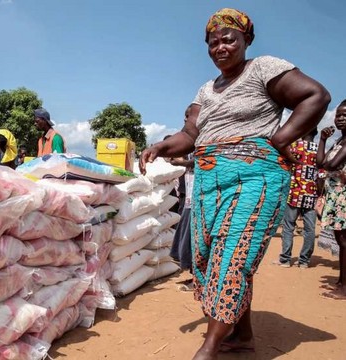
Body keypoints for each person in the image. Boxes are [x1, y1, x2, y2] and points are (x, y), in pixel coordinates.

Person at [138, 8, 330, 359]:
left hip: (255, 176)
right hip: (210, 180)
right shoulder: (207, 89)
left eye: (229, 39)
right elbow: (190, 134)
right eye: (213, 42)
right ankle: (241, 336)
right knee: (208, 258)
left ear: (246, 40)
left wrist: (279, 140)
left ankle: (209, 349)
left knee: (233, 257)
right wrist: (162, 146)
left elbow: (315, 96)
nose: (220, 47)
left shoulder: (263, 68)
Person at [276, 128, 321, 269]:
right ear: (315, 134)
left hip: (294, 192)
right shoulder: (319, 150)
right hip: (311, 194)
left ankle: (285, 260)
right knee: (310, 229)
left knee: (289, 227)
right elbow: (322, 173)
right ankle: (304, 261)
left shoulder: (295, 147)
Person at [317, 100, 346, 300]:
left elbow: (331, 164)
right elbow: (321, 162)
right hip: (336, 195)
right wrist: (322, 140)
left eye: (345, 115)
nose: (341, 119)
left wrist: (327, 165)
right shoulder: (339, 141)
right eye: (338, 115)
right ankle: (342, 281)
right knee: (341, 240)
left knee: (344, 241)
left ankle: (344, 286)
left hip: (343, 197)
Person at [169, 107, 195, 285]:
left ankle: (199, 280)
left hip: (200, 197)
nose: (186, 120)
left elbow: (201, 161)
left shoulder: (207, 137)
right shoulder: (192, 140)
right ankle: (195, 276)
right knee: (189, 237)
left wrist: (182, 163)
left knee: (196, 238)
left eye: (189, 116)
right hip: (190, 197)